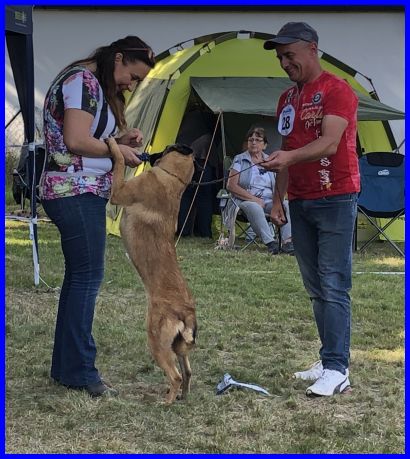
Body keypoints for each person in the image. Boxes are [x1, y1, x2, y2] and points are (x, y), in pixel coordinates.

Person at [39, 36, 155, 397]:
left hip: (79, 190)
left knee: (79, 278)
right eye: (132, 76)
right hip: (73, 190)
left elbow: (88, 139)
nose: (131, 85)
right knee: (87, 278)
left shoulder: (91, 85)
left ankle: (66, 367)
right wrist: (115, 149)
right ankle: (80, 371)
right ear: (118, 58)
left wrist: (121, 140)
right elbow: (75, 140)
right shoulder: (82, 82)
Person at [263, 22, 359, 396]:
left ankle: (337, 368)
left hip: (335, 196)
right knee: (316, 286)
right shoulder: (286, 98)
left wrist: (287, 158)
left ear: (312, 49)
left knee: (333, 283)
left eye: (289, 55)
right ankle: (328, 358)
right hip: (300, 200)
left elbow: (330, 143)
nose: (284, 63)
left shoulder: (337, 90)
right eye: (280, 58)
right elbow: (286, 151)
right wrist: (278, 199)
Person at [226, 127, 294, 255]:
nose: (253, 142)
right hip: (244, 201)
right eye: (250, 140)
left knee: (286, 204)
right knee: (254, 206)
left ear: (265, 145)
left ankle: (287, 243)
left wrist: (277, 201)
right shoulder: (240, 159)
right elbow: (231, 186)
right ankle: (271, 243)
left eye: (258, 140)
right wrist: (254, 199)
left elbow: (279, 184)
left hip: (269, 201)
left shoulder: (270, 160)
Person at [177, 109, 221, 238]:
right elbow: (216, 138)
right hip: (204, 160)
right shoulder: (211, 116)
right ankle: (204, 232)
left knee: (186, 194)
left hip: (184, 158)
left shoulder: (185, 114)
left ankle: (183, 231)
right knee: (204, 196)